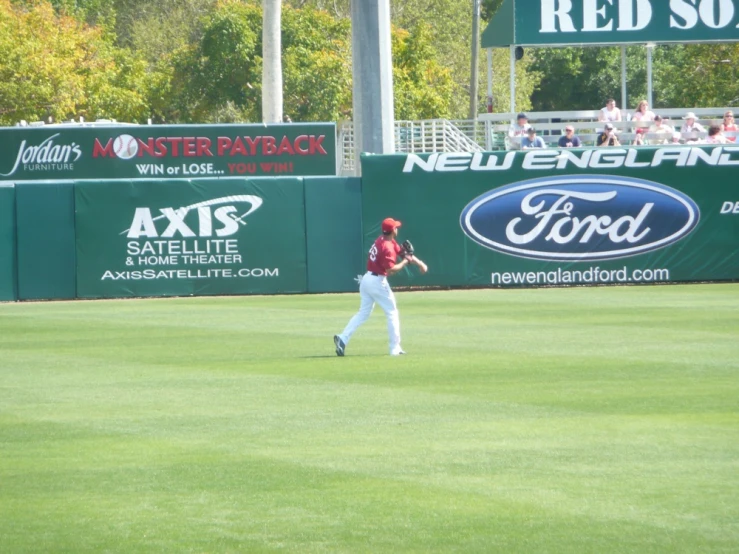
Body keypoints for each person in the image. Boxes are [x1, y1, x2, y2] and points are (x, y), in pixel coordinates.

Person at [334, 218, 427, 357]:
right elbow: (391, 270)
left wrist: (420, 263)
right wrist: (406, 262)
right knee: (392, 312)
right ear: (392, 230)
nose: (397, 229)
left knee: (363, 313)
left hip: (367, 280)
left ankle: (343, 338)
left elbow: (403, 253)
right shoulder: (387, 247)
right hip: (377, 281)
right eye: (396, 227)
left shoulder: (383, 240)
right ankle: (394, 348)